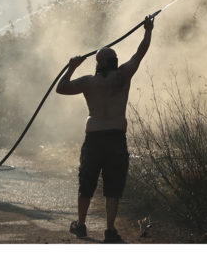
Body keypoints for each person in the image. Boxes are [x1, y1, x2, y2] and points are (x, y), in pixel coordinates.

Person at [56, 13, 156, 243]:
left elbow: (61, 88)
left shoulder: (88, 82)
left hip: (94, 140)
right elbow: (140, 52)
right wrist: (148, 30)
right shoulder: (123, 76)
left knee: (87, 183)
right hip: (115, 139)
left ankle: (81, 225)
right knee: (113, 186)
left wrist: (71, 67)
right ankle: (109, 230)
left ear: (98, 63)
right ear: (114, 61)